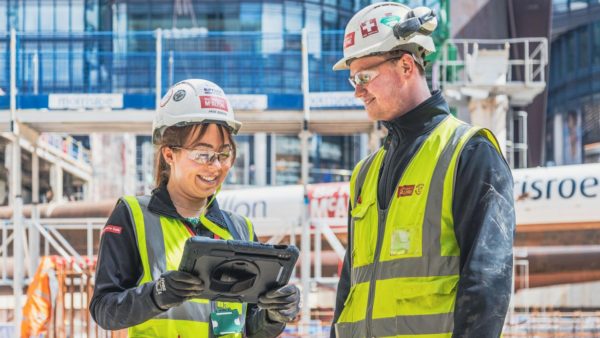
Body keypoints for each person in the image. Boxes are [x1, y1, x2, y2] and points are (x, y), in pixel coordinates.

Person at [330, 3, 515, 337]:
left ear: (404, 66)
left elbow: (487, 283)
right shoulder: (365, 173)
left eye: (364, 77)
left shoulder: (469, 152)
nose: (357, 90)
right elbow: (349, 288)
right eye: (352, 78)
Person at [90, 79, 300, 337]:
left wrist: (274, 313)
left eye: (224, 154)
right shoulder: (133, 216)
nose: (215, 166)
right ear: (169, 154)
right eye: (202, 154)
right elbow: (104, 310)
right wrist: (157, 294)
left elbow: (249, 329)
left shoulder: (240, 228)